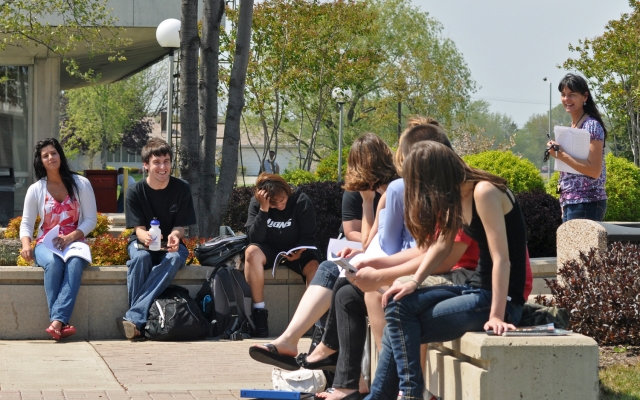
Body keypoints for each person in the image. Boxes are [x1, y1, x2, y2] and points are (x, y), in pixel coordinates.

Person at [365, 141, 527, 399]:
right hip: (474, 290)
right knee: (398, 304)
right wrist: (414, 282)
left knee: (399, 323)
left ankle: (406, 394)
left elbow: (502, 260)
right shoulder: (455, 194)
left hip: (502, 301)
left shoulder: (483, 192)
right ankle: (398, 396)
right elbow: (441, 245)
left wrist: (496, 315)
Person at [248, 133, 397, 372]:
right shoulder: (367, 193)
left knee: (332, 275)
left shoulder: (394, 191)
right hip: (374, 258)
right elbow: (363, 238)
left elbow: (378, 242)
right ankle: (312, 349)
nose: (355, 173)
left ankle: (318, 346)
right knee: (336, 276)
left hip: (389, 264)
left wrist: (368, 205)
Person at [118, 138, 196, 340]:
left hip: (170, 246)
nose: (163, 167)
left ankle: (134, 320)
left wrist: (175, 236)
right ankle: (138, 320)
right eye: (157, 162)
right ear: (146, 165)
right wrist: (149, 239)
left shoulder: (182, 188)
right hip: (142, 241)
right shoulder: (135, 191)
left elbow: (180, 228)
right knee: (140, 259)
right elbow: (139, 229)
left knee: (174, 259)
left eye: (166, 161)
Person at [19, 137, 97, 340]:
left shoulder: (81, 184)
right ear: (40, 161)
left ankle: (56, 322)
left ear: (60, 155)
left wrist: (71, 237)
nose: (50, 157)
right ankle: (60, 321)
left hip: (75, 241)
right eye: (45, 156)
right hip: (46, 244)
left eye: (53, 153)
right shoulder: (36, 189)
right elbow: (26, 223)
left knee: (74, 264)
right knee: (53, 264)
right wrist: (26, 245)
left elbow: (90, 219)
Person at [244, 173, 322, 338]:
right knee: (251, 252)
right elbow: (254, 238)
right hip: (269, 249)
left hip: (297, 249)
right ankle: (259, 314)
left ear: (287, 191)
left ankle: (317, 321)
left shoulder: (300, 200)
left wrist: (300, 252)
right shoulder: (258, 203)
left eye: (282, 199)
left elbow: (309, 236)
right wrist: (264, 210)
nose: (279, 205)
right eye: (274, 202)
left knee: (314, 266)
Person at [546, 73, 607, 222]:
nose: (566, 99)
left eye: (572, 95)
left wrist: (561, 155)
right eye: (563, 94)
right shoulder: (572, 127)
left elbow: (594, 171)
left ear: (585, 97)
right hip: (569, 201)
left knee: (581, 247)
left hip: (586, 202)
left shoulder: (591, 126)